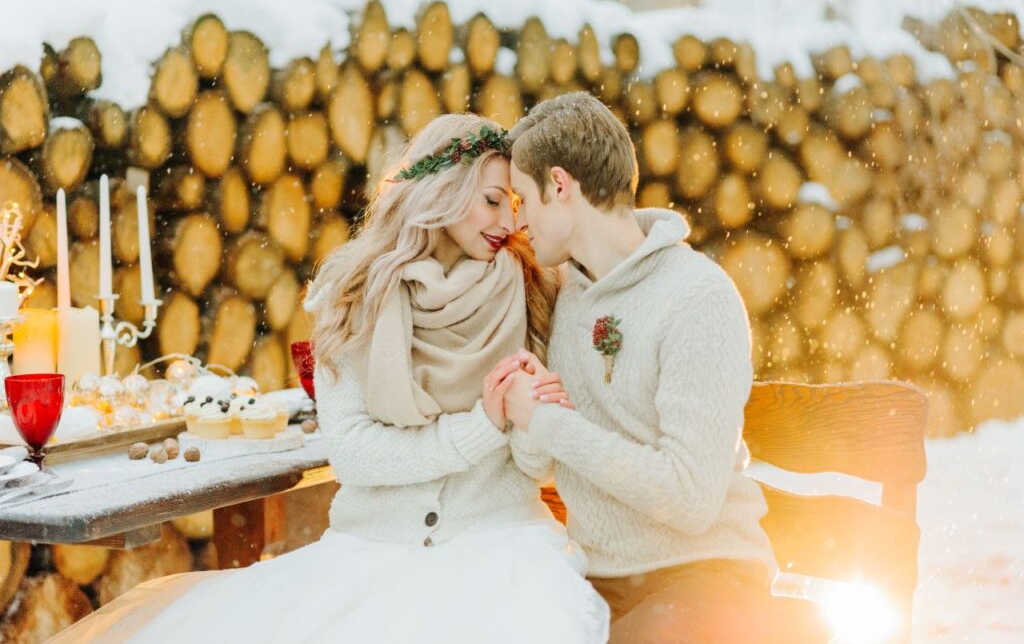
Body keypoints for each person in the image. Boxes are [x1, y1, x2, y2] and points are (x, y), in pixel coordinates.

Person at [54, 113, 609, 644]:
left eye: (514, 204)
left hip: (503, 546)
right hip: (371, 552)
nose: (509, 223)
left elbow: (536, 463)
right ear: (441, 190)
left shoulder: (535, 287)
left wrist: (533, 415)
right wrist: (485, 424)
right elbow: (355, 453)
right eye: (492, 201)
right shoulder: (352, 294)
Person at [490, 92, 780, 644]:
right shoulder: (565, 294)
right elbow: (539, 461)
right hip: (597, 581)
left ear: (559, 185)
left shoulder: (696, 297)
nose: (517, 220)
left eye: (521, 198)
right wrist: (529, 399)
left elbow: (690, 499)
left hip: (708, 577)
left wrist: (546, 422)